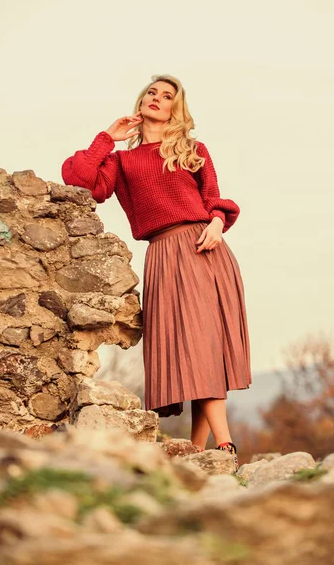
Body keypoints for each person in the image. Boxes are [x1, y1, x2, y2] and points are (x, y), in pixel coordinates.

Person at [61, 74, 251, 469]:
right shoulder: (122, 161)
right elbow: (80, 181)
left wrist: (217, 222)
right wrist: (106, 138)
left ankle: (222, 445)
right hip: (164, 255)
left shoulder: (193, 150)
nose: (157, 99)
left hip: (205, 248)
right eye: (152, 92)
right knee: (194, 349)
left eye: (167, 96)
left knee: (206, 348)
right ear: (142, 101)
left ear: (174, 110)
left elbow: (213, 198)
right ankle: (204, 453)